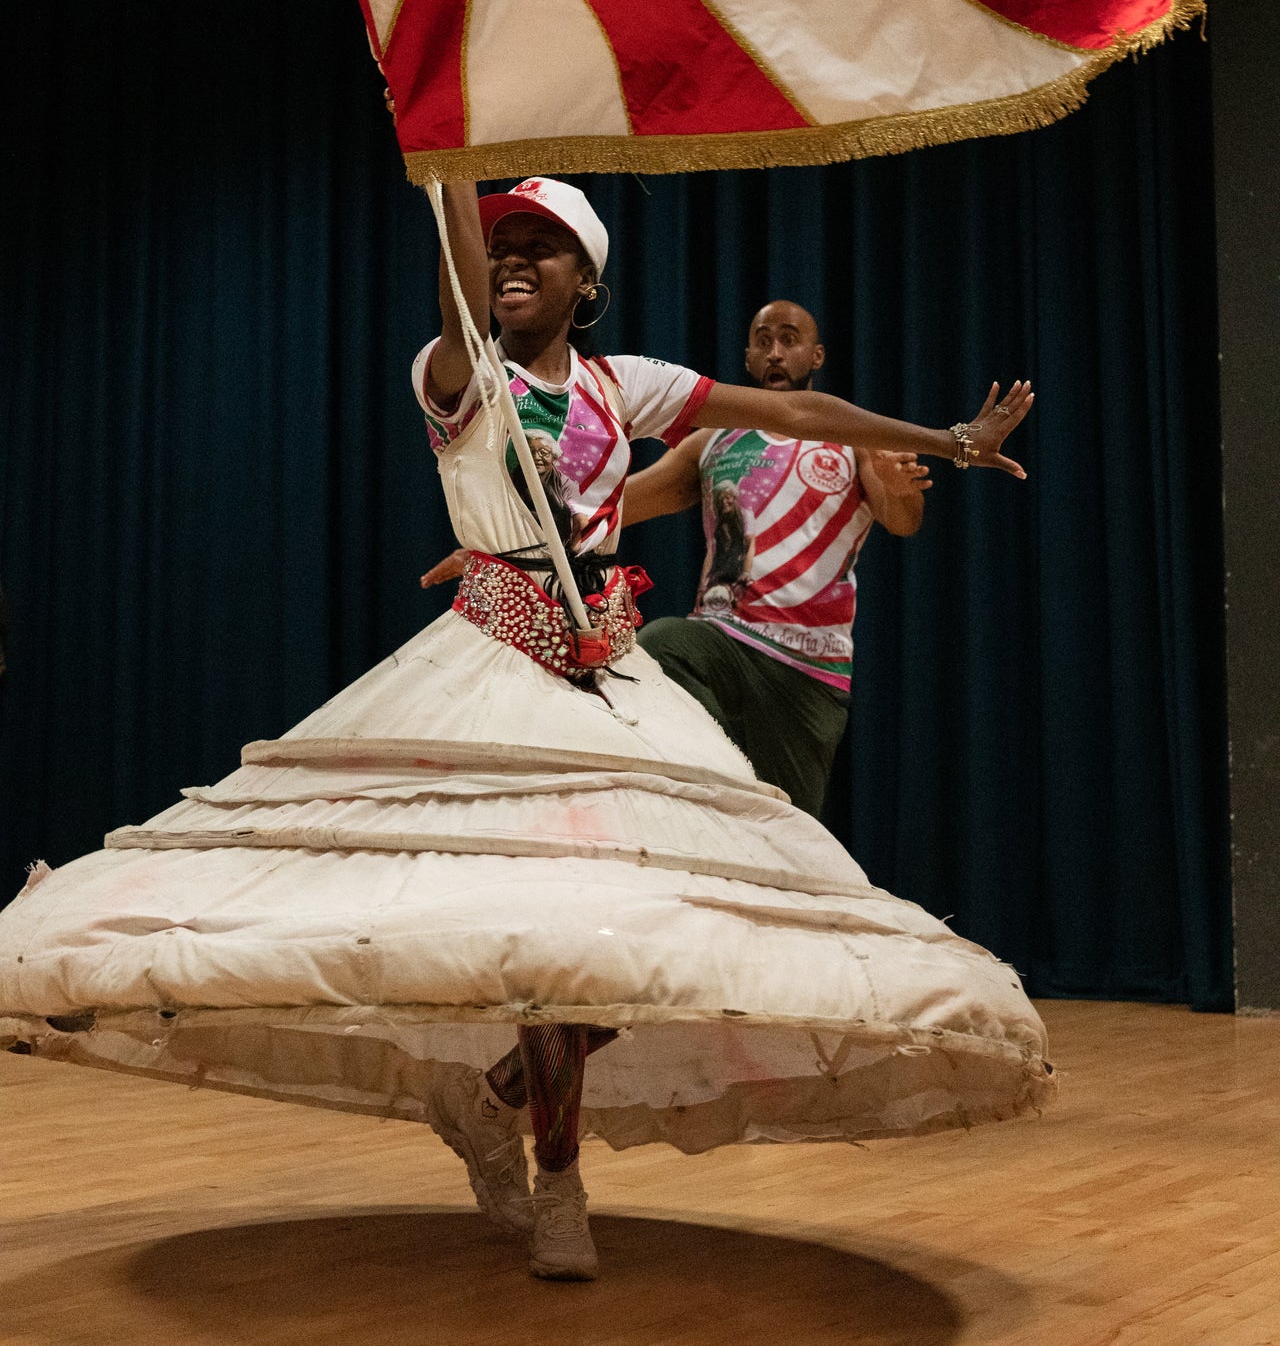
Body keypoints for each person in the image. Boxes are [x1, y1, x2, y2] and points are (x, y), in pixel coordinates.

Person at [0, 176, 1048, 1288]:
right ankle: (559, 1179)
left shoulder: (616, 383)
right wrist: (448, 168)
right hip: (492, 666)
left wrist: (949, 436)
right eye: (504, 246)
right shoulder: (462, 375)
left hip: (606, 670)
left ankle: (496, 1099)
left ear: (585, 280)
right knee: (538, 924)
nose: (515, 262)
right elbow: (458, 294)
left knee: (620, 931)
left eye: (542, 249)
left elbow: (785, 411)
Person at [628, 300, 930, 818]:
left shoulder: (855, 439)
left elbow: (902, 519)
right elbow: (616, 506)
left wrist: (902, 489)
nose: (774, 352)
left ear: (816, 357)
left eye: (789, 340)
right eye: (762, 340)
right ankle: (702, 784)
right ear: (747, 358)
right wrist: (506, 534)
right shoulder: (712, 439)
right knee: (662, 645)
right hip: (722, 641)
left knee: (790, 832)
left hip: (808, 670)